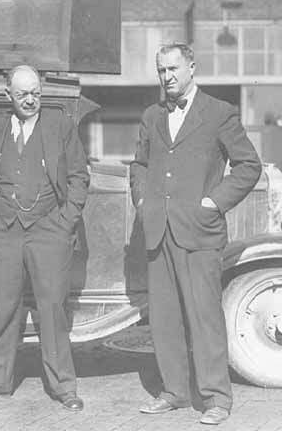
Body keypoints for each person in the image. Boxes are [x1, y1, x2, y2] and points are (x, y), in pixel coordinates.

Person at [130, 44, 261, 425]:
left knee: (204, 319)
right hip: (158, 231)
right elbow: (138, 165)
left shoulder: (219, 113)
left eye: (173, 68)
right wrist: (143, 201)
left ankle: (217, 398)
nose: (166, 76)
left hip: (200, 233)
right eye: (161, 70)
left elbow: (248, 166)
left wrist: (213, 202)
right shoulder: (151, 115)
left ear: (191, 67)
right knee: (165, 318)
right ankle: (174, 391)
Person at [0, 65, 90, 410]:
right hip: (3, 233)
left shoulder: (61, 127)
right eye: (22, 94)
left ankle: (64, 386)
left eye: (35, 92)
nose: (31, 100)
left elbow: (79, 177)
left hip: (49, 232)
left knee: (52, 309)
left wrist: (64, 222)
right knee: (5, 308)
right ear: (8, 95)